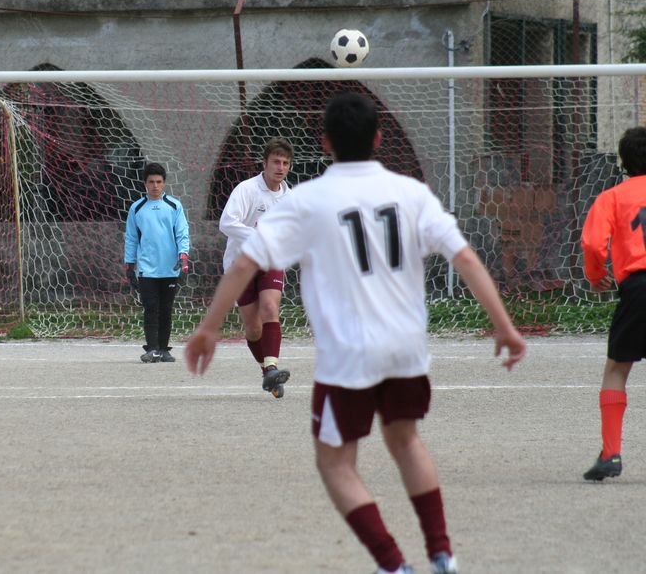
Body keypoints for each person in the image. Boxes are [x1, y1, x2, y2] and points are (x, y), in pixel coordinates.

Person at [186, 93, 526, 574]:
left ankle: (394, 564)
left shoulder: (306, 200)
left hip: (349, 356)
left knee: (335, 463)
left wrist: (207, 328)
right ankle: (442, 554)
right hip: (406, 350)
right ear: (379, 139)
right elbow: (465, 257)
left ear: (325, 143)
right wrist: (504, 326)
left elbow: (244, 263)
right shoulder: (410, 193)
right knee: (406, 441)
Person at [580, 125, 646, 481]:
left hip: (637, 288)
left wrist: (595, 276)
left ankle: (611, 454)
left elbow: (593, 244)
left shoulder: (613, 197)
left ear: (624, 162)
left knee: (617, 369)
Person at [218, 138, 293, 397]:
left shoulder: (290, 197)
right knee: (253, 328)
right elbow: (227, 223)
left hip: (270, 261)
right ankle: (267, 373)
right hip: (241, 263)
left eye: (285, 163)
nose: (280, 167)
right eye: (276, 162)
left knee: (270, 308)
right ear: (265, 163)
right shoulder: (247, 189)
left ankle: (272, 366)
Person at [124, 163, 190, 363]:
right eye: (151, 182)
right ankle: (151, 349)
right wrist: (129, 265)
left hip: (170, 268)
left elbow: (182, 234)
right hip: (147, 269)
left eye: (159, 182)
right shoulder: (136, 208)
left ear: (164, 183)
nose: (155, 186)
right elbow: (131, 239)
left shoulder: (174, 206)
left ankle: (163, 349)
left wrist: (183, 258)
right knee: (151, 308)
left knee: (166, 309)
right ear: (145, 183)